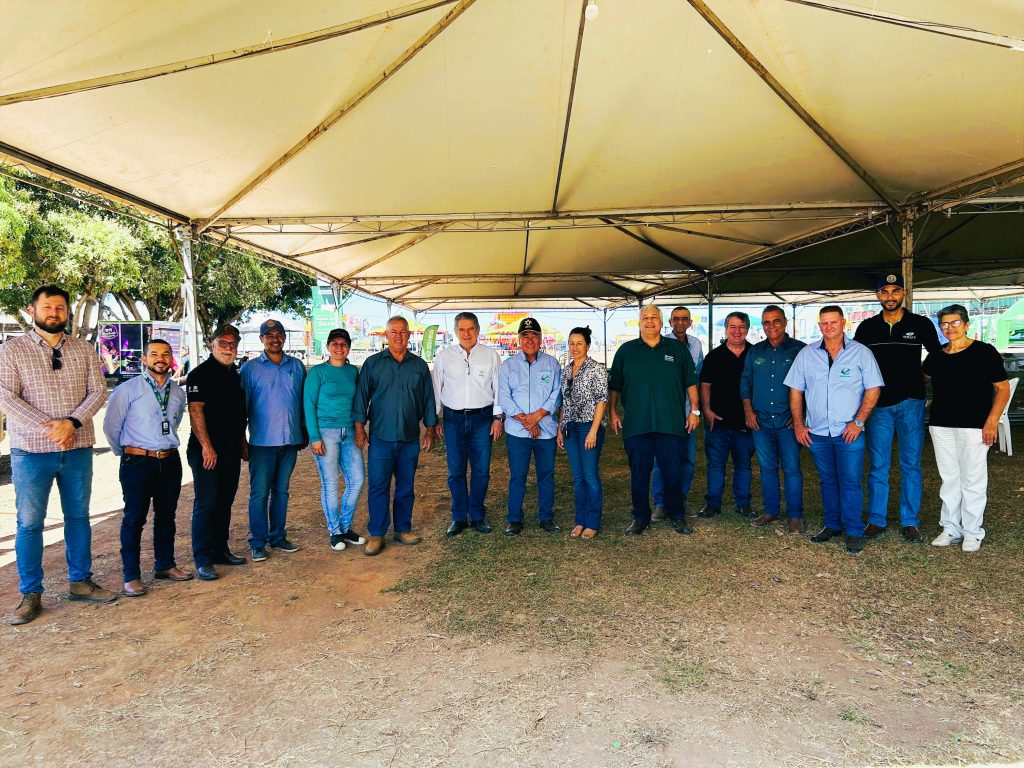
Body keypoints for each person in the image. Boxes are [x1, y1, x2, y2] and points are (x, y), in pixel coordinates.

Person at [0, 285, 116, 625]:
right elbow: (5, 396)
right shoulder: (12, 350)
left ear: (68, 312)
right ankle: (30, 593)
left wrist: (72, 423)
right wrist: (51, 428)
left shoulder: (83, 349)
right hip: (31, 451)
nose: (55, 313)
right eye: (48, 307)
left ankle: (80, 581)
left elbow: (98, 391)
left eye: (61, 308)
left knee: (78, 517)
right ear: (32, 311)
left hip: (77, 448)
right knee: (30, 523)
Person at [785, 306, 883, 555]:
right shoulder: (807, 354)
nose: (829, 327)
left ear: (843, 323)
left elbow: (873, 389)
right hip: (818, 432)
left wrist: (858, 422)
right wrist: (799, 424)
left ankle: (853, 531)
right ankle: (832, 524)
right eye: (824, 323)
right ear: (820, 326)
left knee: (850, 482)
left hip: (848, 431)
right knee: (827, 480)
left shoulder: (861, 353)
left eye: (833, 322)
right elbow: (795, 390)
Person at [853, 273, 942, 543]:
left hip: (911, 402)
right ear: (877, 295)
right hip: (878, 405)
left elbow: (937, 353)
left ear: (903, 293)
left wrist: (923, 376)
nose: (889, 296)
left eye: (895, 291)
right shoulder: (867, 327)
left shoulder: (920, 323)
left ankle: (910, 521)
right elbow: (856, 360)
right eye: (884, 291)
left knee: (911, 464)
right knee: (878, 465)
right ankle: (876, 519)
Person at [103, 339, 191, 597]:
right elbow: (111, 428)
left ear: (171, 359)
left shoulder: (178, 393)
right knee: (134, 519)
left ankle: (165, 565)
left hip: (170, 461)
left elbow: (174, 423)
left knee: (167, 517)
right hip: (137, 463)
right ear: (144, 359)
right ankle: (131, 576)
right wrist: (128, 454)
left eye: (165, 354)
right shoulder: (127, 390)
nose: (160, 358)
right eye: (154, 354)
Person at [923, 305, 1010, 553]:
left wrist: (992, 420)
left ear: (967, 324)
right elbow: (920, 378)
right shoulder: (937, 355)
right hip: (941, 424)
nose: (950, 328)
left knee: (973, 479)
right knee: (949, 478)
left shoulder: (984, 352)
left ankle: (973, 531)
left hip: (974, 426)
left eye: (955, 323)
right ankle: (951, 528)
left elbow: (1002, 388)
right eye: (944, 324)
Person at [609, 304, 700, 536]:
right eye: (645, 317)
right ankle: (641, 518)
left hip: (671, 425)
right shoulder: (626, 351)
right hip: (637, 425)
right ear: (639, 323)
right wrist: (612, 411)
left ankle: (677, 515)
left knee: (673, 473)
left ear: (661, 322)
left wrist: (695, 411)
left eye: (654, 317)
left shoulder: (677, 349)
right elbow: (615, 385)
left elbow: (691, 382)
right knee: (639, 474)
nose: (649, 321)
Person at [353, 316, 437, 556]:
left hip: (409, 437)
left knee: (406, 485)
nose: (398, 336)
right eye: (394, 332)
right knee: (378, 486)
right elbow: (361, 398)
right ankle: (377, 533)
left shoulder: (419, 366)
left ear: (409, 335)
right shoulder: (373, 364)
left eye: (403, 332)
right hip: (381, 437)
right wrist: (359, 428)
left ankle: (403, 529)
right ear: (386, 335)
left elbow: (428, 400)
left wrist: (430, 429)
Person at [186, 323, 249, 581]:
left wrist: (243, 443)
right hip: (206, 451)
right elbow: (195, 411)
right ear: (212, 344)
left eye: (232, 344)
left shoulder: (237, 375)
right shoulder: (199, 374)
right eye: (223, 343)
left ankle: (220, 550)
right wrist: (207, 446)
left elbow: (239, 415)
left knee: (225, 500)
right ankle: (203, 559)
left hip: (231, 449)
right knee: (207, 502)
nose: (228, 348)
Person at [431, 312, 503, 538]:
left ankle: (478, 514)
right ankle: (459, 516)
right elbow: (436, 388)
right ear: (455, 332)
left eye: (471, 328)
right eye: (461, 329)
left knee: (481, 470)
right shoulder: (444, 356)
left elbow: (499, 388)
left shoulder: (490, 356)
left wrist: (498, 418)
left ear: (478, 330)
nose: (466, 333)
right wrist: (435, 419)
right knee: (456, 470)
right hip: (453, 419)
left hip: (482, 418)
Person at [241, 318, 306, 562]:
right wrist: (242, 440)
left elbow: (302, 402)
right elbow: (242, 408)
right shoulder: (250, 369)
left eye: (278, 334)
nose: (274, 339)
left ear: (284, 338)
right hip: (261, 442)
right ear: (261, 339)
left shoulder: (296, 366)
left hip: (290, 441)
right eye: (269, 335)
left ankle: (278, 536)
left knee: (281, 491)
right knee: (259, 493)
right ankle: (258, 542)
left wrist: (303, 431)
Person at [741, 306, 806, 532]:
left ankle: (795, 515)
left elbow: (811, 384)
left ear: (785, 322)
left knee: (792, 468)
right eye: (766, 322)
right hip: (761, 422)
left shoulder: (800, 350)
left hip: (788, 422)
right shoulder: (755, 351)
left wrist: (800, 416)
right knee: (767, 467)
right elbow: (745, 382)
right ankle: (771, 511)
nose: (771, 326)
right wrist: (748, 411)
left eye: (776, 321)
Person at [497, 318, 562, 536]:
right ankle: (514, 519)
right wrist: (527, 421)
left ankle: (546, 518)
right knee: (518, 476)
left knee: (546, 475)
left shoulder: (552, 364)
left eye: (534, 336)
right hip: (518, 432)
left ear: (541, 339)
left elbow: (556, 395)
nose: (530, 340)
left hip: (546, 430)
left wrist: (537, 416)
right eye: (525, 336)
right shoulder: (508, 366)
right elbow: (505, 398)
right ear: (519, 339)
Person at [304, 328, 366, 551]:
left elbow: (359, 402)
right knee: (330, 483)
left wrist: (359, 429)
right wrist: (314, 437)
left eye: (343, 344)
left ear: (348, 347)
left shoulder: (352, 372)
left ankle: (345, 527)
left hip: (349, 431)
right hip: (326, 432)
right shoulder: (318, 372)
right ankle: (335, 532)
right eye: (335, 344)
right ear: (328, 346)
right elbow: (308, 406)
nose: (339, 348)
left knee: (357, 480)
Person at [697, 311, 755, 519]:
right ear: (726, 329)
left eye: (741, 327)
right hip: (718, 422)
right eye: (733, 327)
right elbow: (705, 385)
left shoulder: (755, 354)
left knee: (744, 465)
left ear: (747, 329)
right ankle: (712, 504)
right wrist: (706, 410)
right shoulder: (714, 356)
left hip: (745, 423)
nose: (737, 331)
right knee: (715, 465)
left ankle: (743, 504)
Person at [652, 305, 704, 519]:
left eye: (684, 319)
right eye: (676, 319)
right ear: (670, 322)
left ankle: (680, 500)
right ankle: (660, 503)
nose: (680, 322)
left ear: (690, 322)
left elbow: (697, 378)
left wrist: (696, 410)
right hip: (666, 414)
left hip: (689, 412)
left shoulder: (696, 344)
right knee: (661, 460)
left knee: (688, 460)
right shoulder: (661, 344)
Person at [557, 326, 608, 539]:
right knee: (578, 477)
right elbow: (564, 402)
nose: (575, 347)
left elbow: (601, 400)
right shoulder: (566, 371)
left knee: (590, 476)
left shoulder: (596, 368)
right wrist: (561, 428)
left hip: (589, 426)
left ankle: (592, 522)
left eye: (579, 343)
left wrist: (593, 431)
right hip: (570, 428)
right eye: (571, 343)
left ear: (587, 345)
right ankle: (580, 520)